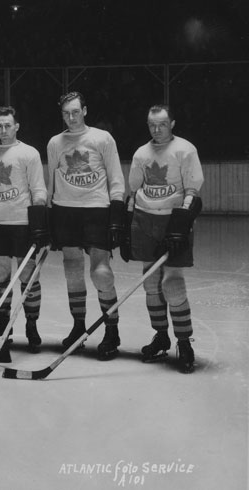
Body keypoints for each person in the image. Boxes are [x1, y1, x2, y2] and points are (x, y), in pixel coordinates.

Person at [47, 91, 126, 360]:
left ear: (85, 110)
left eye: (75, 112)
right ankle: (78, 326)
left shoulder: (102, 138)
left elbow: (116, 178)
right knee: (72, 269)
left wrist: (116, 214)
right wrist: (48, 215)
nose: (71, 118)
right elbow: (51, 181)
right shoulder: (55, 142)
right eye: (66, 113)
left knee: (100, 272)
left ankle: (112, 329)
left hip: (96, 210)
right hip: (65, 210)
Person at [124, 104, 203, 373]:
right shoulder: (141, 153)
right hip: (145, 220)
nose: (157, 130)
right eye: (152, 125)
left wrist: (181, 226)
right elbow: (134, 191)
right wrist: (127, 227)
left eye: (162, 124)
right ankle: (161, 336)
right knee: (151, 283)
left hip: (174, 221)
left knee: (173, 283)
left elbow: (192, 191)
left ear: (172, 124)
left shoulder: (185, 150)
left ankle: (184, 342)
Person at [0, 106, 49, 352]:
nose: (3, 130)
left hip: (22, 222)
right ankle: (3, 323)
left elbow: (38, 189)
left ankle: (31, 324)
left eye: (7, 125)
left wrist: (39, 223)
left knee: (28, 273)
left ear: (16, 126)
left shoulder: (29, 153)